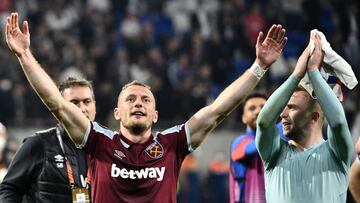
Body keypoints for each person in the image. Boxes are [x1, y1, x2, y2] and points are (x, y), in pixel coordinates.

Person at [5, 12, 287, 202]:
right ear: (117, 113)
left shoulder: (173, 143)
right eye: (130, 99)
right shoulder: (98, 141)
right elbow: (55, 102)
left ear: (155, 114)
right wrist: (25, 54)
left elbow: (219, 109)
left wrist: (259, 67)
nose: (137, 102)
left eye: (145, 100)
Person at [255, 33, 353, 202]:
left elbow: (337, 123)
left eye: (291, 108)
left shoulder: (336, 154)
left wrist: (313, 72)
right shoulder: (274, 153)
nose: (282, 114)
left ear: (314, 117)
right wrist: (296, 76)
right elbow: (264, 122)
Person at [0, 77, 96, 203]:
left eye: (87, 102)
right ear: (59, 108)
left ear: (94, 106)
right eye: (74, 102)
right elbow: (9, 189)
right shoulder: (38, 144)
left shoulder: (106, 148)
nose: (82, 108)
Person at [229, 93, 267, 203]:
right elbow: (255, 147)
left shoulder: (278, 142)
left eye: (263, 107)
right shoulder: (238, 143)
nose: (258, 111)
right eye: (252, 108)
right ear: (244, 118)